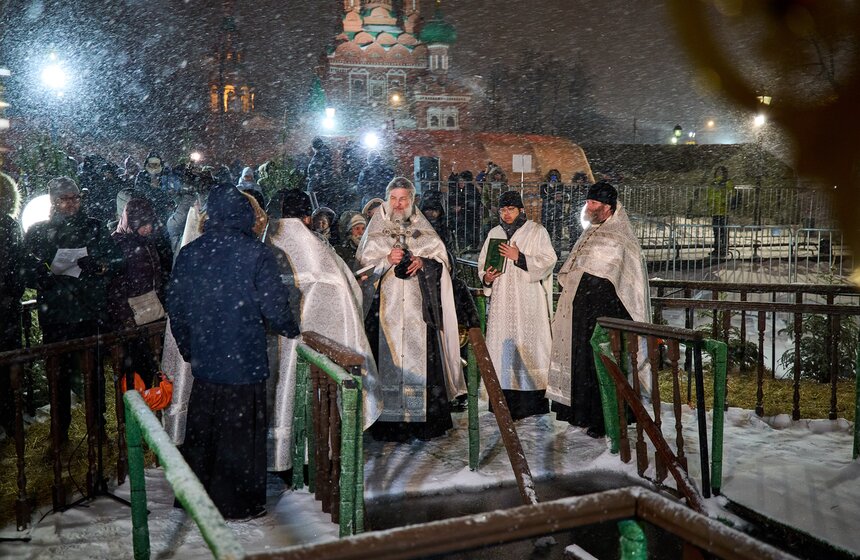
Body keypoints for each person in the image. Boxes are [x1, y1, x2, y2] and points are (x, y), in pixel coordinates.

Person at [166, 184, 299, 520]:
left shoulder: (190, 252)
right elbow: (274, 306)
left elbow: (176, 307)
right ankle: (237, 502)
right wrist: (289, 327)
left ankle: (198, 497)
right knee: (239, 435)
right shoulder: (256, 253)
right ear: (243, 214)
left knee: (203, 432)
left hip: (206, 361)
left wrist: (189, 348)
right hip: (245, 360)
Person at [264, 190, 381, 474]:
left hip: (272, 341)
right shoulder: (316, 248)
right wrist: (358, 284)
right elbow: (345, 291)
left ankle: (275, 456)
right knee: (308, 398)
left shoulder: (265, 242)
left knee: (277, 395)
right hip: (313, 342)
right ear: (307, 217)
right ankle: (307, 460)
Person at [356, 177, 466, 441]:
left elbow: (443, 262)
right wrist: (385, 260)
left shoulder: (423, 228)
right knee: (387, 362)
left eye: (403, 198)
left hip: (418, 314)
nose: (398, 204)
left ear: (412, 199)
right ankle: (388, 424)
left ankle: (423, 424)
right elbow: (360, 271)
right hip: (386, 315)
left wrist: (423, 262)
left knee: (423, 364)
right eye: (393, 198)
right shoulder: (376, 229)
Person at [22, 176, 123, 442]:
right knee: (58, 379)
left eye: (75, 198)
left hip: (89, 312)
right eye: (64, 199)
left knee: (94, 377)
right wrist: (41, 274)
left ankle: (97, 430)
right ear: (54, 202)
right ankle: (59, 431)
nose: (71, 204)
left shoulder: (95, 228)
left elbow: (116, 260)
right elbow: (23, 269)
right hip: (55, 315)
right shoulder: (38, 232)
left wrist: (99, 265)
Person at [546, 182, 649, 438]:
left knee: (603, 366)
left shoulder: (620, 237)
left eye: (594, 204)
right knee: (583, 364)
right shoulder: (591, 231)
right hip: (582, 313)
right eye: (588, 203)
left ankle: (606, 418)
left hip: (605, 314)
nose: (588, 208)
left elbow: (625, 283)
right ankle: (582, 413)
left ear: (609, 208)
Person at [478, 191, 557, 420]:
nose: (506, 214)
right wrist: (487, 278)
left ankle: (531, 404)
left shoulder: (536, 231)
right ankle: (502, 402)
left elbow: (548, 260)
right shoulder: (494, 233)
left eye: (511, 209)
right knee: (503, 348)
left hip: (529, 299)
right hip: (502, 300)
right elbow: (483, 264)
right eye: (503, 210)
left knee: (529, 345)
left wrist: (519, 256)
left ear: (521, 210)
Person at [108, 197, 169, 388]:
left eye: (149, 223)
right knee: (135, 368)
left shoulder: (147, 242)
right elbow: (115, 285)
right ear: (131, 223)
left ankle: (149, 404)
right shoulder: (117, 245)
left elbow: (156, 274)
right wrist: (126, 317)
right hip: (132, 317)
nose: (148, 228)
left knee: (151, 366)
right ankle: (136, 407)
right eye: (143, 224)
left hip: (151, 312)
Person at [0, 172, 24, 437]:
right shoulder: (9, 225)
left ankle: (10, 420)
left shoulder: (7, 226)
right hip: (7, 308)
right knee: (9, 370)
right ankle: (11, 420)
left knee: (8, 369)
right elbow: (16, 266)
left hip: (5, 308)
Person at [706, 165, 734, 257]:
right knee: (718, 232)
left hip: (722, 211)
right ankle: (719, 249)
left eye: (720, 172)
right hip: (717, 211)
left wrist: (725, 202)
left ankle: (722, 249)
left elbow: (732, 194)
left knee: (721, 231)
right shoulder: (715, 183)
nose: (719, 174)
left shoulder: (725, 182)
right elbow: (710, 195)